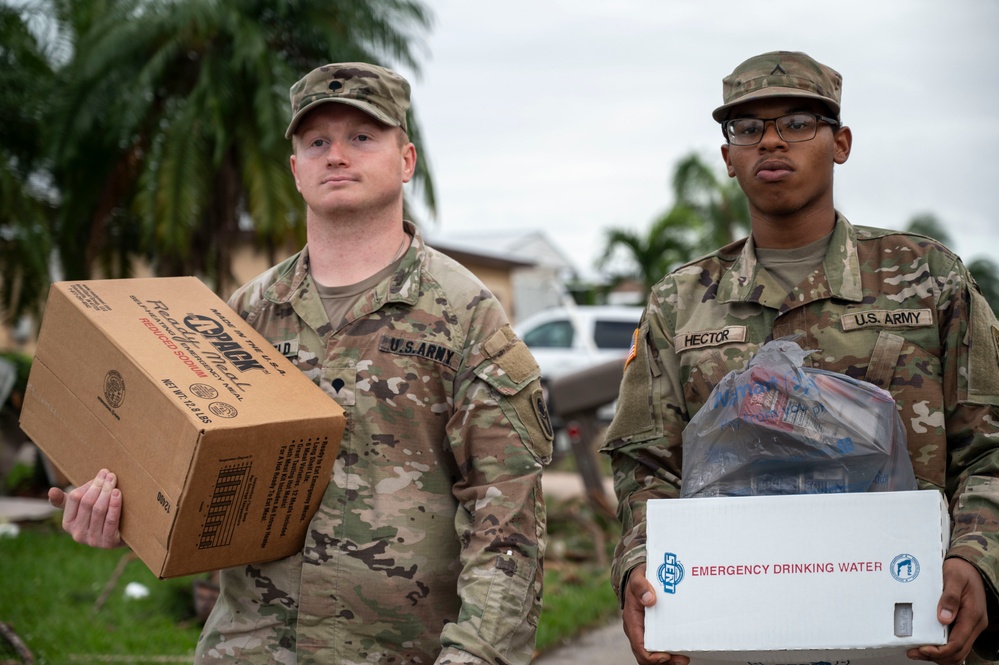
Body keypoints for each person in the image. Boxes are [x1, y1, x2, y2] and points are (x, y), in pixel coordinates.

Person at [48, 62, 554, 664]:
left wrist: (477, 656)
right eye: (317, 142)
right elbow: (189, 475)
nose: (336, 154)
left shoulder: (465, 312)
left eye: (362, 137)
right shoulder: (245, 314)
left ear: (406, 160)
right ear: (296, 170)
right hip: (252, 647)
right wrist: (119, 511)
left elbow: (507, 521)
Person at [601, 50, 999, 665]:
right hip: (729, 629)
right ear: (728, 157)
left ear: (839, 143)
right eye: (747, 127)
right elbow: (644, 464)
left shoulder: (927, 278)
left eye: (797, 122)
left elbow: (990, 445)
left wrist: (975, 555)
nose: (771, 142)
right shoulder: (680, 303)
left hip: (907, 627)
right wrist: (640, 565)